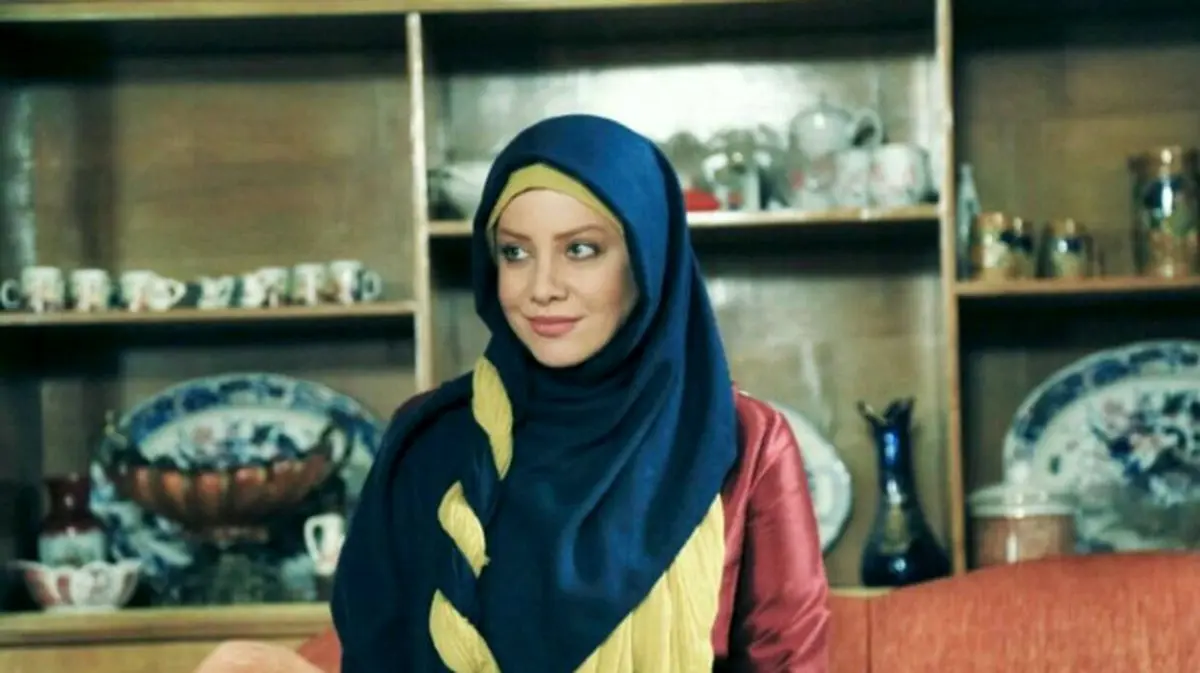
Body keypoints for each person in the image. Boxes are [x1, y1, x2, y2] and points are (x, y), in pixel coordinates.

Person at [193, 114, 828, 673]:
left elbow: (788, 663)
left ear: (647, 259)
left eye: (581, 250)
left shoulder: (744, 443)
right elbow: (375, 654)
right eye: (516, 253)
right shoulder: (429, 440)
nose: (542, 287)